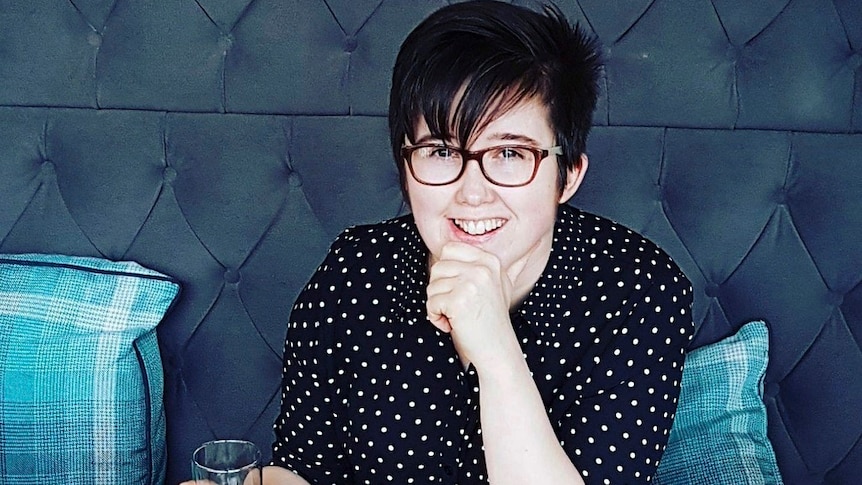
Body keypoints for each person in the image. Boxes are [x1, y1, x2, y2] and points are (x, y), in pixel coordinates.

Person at [265, 1, 693, 484]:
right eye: (442, 151)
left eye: (510, 153)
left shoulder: (638, 289)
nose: (472, 193)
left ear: (568, 175)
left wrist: (495, 349)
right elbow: (301, 466)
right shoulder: (354, 271)